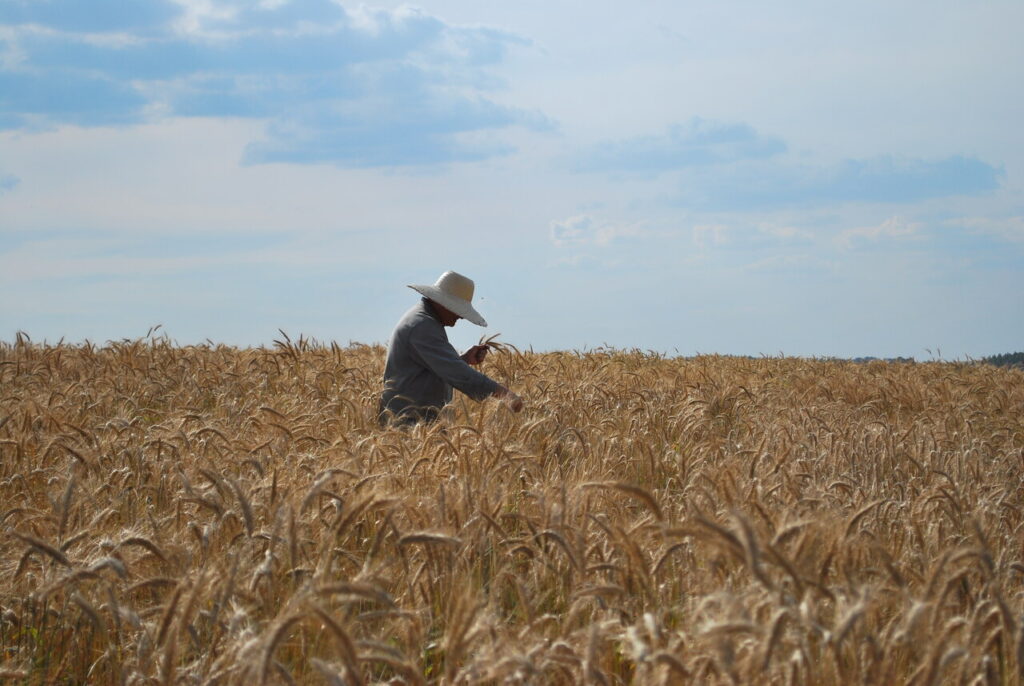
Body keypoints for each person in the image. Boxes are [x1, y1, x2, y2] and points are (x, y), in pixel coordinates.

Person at [379, 270, 524, 426]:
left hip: (415, 427)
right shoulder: (423, 326)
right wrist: (506, 396)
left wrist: (463, 359)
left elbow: (434, 369)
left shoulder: (424, 321)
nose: (461, 316)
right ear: (442, 302)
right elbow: (459, 374)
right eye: (458, 309)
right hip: (408, 427)